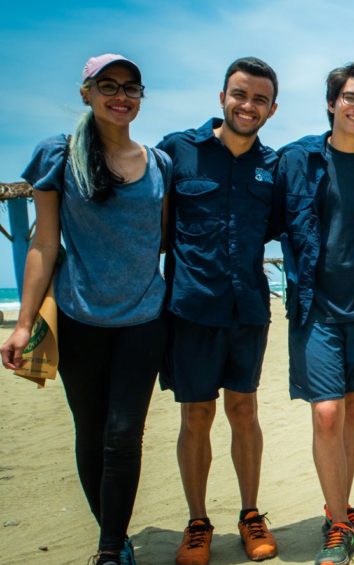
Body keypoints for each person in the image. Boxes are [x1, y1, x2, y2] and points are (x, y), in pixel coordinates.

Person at [1, 53, 170, 565]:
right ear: (87, 93)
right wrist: (23, 323)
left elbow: (160, 241)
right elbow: (44, 244)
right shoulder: (58, 154)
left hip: (144, 319)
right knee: (91, 432)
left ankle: (108, 547)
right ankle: (115, 540)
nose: (120, 97)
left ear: (141, 97)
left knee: (124, 434)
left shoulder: (160, 163)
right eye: (108, 86)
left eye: (131, 88)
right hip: (79, 317)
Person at [274, 62, 354, 565]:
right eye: (351, 97)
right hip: (315, 307)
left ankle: (341, 509)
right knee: (326, 414)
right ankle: (335, 522)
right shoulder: (297, 159)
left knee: (352, 411)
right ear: (332, 103)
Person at [157, 56, 281, 565]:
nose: (247, 105)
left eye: (258, 99)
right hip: (189, 308)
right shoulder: (176, 152)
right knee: (197, 415)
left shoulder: (273, 167)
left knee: (244, 411)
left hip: (248, 307)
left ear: (272, 109)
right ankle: (197, 522)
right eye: (239, 94)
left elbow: (282, 228)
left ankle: (251, 514)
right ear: (221, 96)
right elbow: (155, 231)